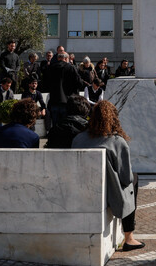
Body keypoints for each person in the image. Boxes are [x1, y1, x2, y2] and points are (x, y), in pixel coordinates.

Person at [72, 101, 144, 252]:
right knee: (133, 180)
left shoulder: (78, 139)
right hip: (110, 194)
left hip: (80, 189)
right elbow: (126, 178)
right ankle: (129, 237)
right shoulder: (117, 142)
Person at [42, 52, 86, 126]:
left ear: (58, 58)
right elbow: (79, 83)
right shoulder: (71, 68)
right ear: (66, 58)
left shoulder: (50, 67)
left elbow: (45, 83)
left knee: (55, 125)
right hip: (67, 101)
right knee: (66, 125)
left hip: (54, 100)